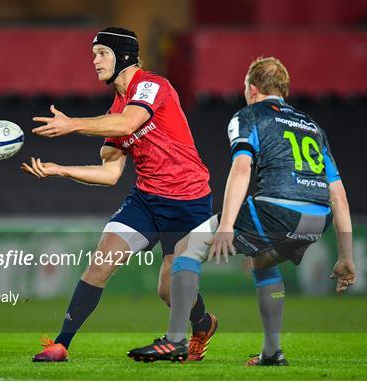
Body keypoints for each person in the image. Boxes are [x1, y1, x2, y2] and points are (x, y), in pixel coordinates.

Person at [127, 57, 356, 365]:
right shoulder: (312, 126)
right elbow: (338, 195)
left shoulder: (248, 116)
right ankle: (272, 353)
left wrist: (226, 226)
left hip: (278, 208)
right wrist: (346, 257)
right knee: (261, 260)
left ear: (252, 89)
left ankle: (175, 341)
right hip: (317, 218)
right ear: (283, 90)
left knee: (186, 247)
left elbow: (242, 168)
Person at [22, 27, 218, 362]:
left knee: (168, 291)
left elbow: (130, 124)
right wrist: (60, 169)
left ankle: (202, 324)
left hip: (188, 200)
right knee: (99, 264)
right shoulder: (114, 111)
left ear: (123, 56)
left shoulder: (152, 85)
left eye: (102, 53)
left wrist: (72, 125)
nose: (95, 61)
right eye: (94, 54)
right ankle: (61, 344)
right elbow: (111, 174)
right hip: (146, 199)